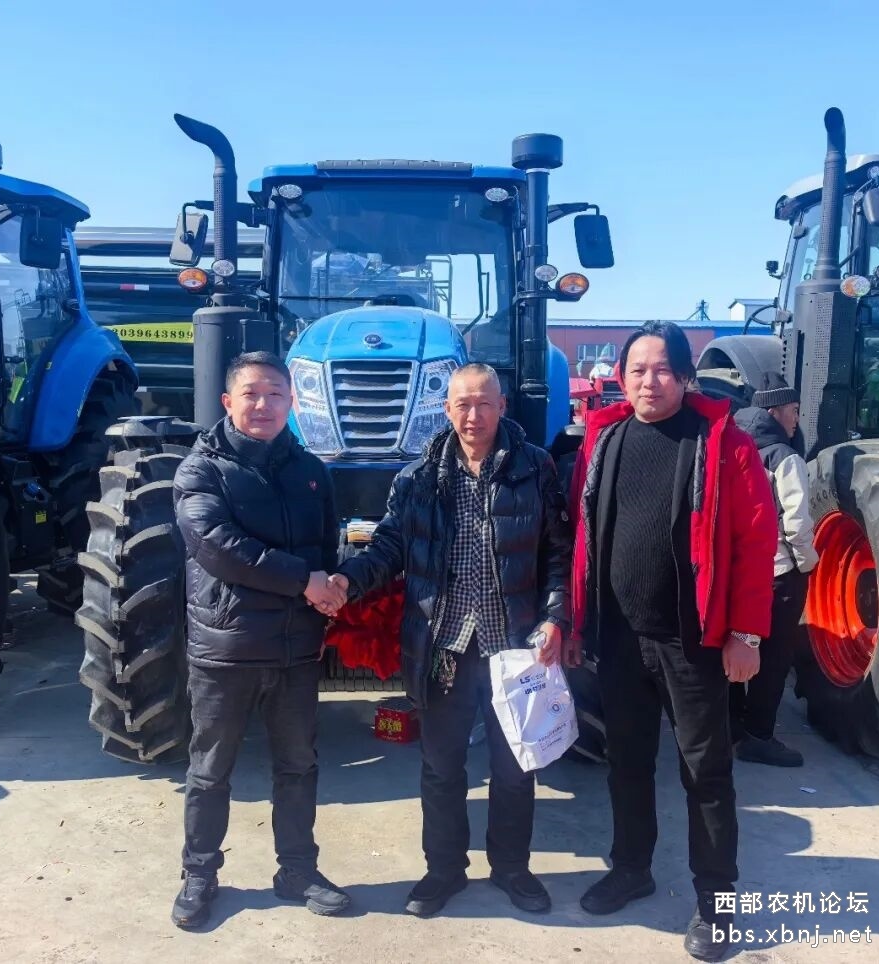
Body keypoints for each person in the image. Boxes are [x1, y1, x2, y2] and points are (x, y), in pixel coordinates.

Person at [330, 363, 575, 918]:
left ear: (502, 406)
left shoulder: (535, 468)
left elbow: (558, 552)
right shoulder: (418, 478)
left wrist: (555, 617)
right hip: (444, 646)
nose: (474, 415)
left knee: (515, 768)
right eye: (463, 404)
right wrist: (346, 582)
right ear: (446, 410)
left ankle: (511, 867)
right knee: (441, 768)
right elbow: (389, 547)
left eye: (484, 403)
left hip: (513, 647)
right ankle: (443, 870)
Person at [567, 321, 777, 962]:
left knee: (705, 772)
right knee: (626, 763)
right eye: (637, 369)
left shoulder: (724, 444)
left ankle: (716, 901)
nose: (649, 381)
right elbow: (582, 537)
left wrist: (745, 634)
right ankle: (632, 868)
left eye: (662, 369)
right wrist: (577, 623)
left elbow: (755, 542)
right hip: (618, 638)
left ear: (686, 377)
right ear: (620, 377)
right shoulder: (604, 439)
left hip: (693, 644)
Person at [170, 350, 350, 929]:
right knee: (210, 771)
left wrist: (330, 590)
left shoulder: (311, 472)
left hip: (296, 650)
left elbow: (326, 547)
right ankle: (200, 874)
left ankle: (297, 870)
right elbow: (218, 546)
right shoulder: (200, 470)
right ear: (228, 401)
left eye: (276, 394)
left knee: (298, 766)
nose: (263, 405)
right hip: (228, 649)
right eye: (251, 393)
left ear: (291, 403)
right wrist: (305, 581)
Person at [731, 374, 819, 766]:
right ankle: (759, 736)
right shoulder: (785, 457)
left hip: (738, 573)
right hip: (779, 573)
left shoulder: (732, 447)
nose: (797, 419)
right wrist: (808, 563)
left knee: (735, 647)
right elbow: (796, 523)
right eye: (793, 410)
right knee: (773, 656)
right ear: (773, 412)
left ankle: (731, 726)